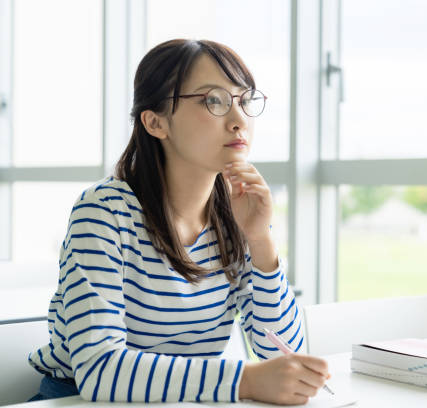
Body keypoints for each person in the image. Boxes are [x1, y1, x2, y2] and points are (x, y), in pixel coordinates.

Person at [28, 39, 329, 405]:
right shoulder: (103, 213)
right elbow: (99, 370)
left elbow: (284, 360)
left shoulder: (237, 213)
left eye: (245, 100)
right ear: (156, 122)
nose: (239, 122)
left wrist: (261, 241)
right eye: (213, 100)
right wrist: (243, 381)